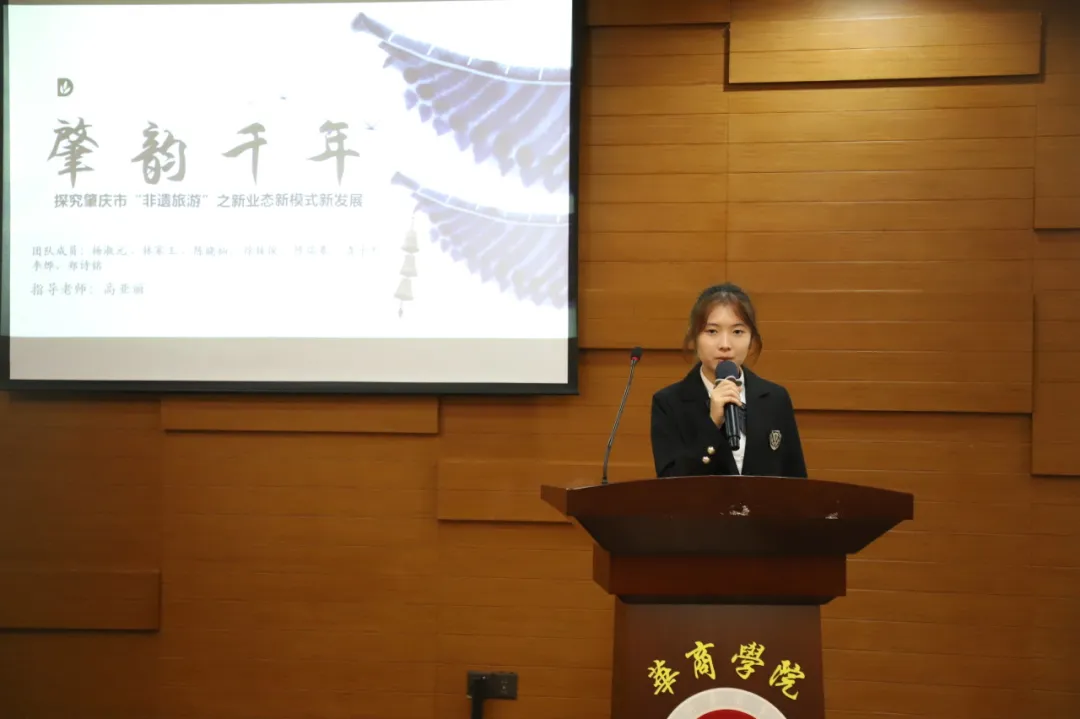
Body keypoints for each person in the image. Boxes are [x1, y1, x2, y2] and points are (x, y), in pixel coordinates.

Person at [650, 283, 808, 479]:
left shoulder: (775, 398)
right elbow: (669, 485)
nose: (725, 345)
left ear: (751, 339)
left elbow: (796, 480)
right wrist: (711, 424)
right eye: (712, 331)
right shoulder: (669, 403)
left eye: (737, 332)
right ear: (694, 337)